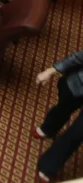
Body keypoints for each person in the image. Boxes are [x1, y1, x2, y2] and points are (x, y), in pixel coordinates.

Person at [34, 49, 83, 182]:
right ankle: (49, 128)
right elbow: (79, 57)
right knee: (63, 107)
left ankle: (48, 166)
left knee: (77, 134)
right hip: (79, 85)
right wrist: (51, 71)